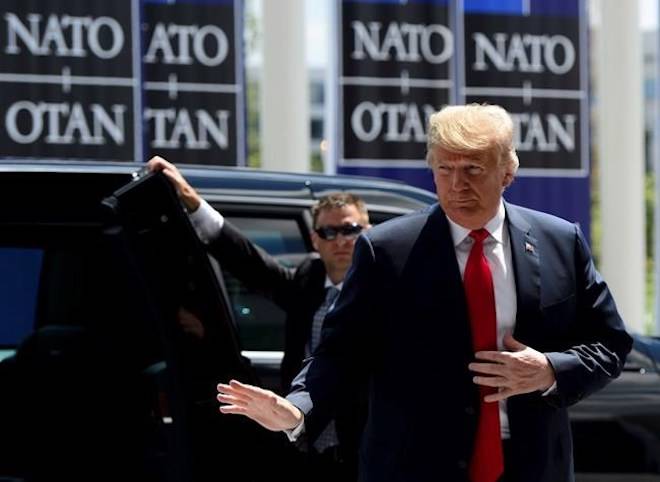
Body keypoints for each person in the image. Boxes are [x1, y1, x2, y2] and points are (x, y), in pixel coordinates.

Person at [215, 104, 633, 482]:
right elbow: (342, 351)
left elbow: (611, 343)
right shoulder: (387, 250)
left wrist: (550, 370)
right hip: (415, 465)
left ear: (508, 171)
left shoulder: (559, 241)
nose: (456, 184)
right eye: (444, 169)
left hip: (532, 465)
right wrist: (298, 408)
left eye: (472, 169)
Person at [147, 156, 370, 482]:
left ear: (369, 232)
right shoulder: (308, 279)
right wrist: (192, 201)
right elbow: (249, 262)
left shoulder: (387, 288)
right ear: (315, 240)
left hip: (363, 444)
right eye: (329, 231)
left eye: (350, 229)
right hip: (304, 440)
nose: (340, 240)